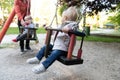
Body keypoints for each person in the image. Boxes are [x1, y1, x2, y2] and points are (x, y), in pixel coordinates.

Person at [26, 6, 78, 74]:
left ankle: (43, 66)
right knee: (46, 46)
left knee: (55, 53)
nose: (61, 18)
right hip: (57, 46)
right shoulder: (62, 25)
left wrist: (69, 30)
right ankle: (37, 58)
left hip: (64, 49)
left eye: (62, 17)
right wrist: (49, 29)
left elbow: (74, 30)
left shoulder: (73, 25)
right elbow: (55, 32)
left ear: (65, 18)